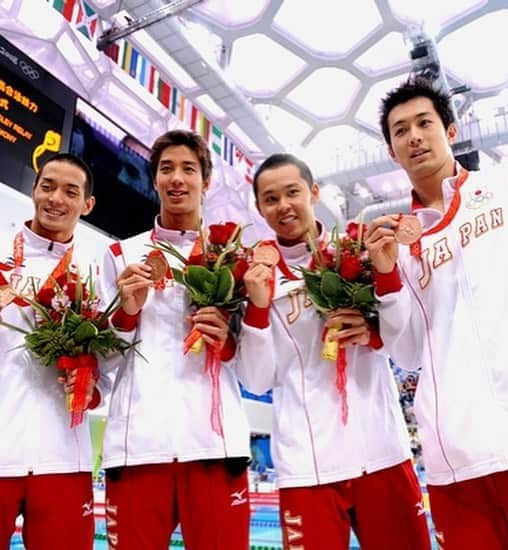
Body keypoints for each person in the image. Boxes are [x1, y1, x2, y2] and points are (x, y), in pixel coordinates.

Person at [365, 77, 508, 548]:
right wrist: (386, 276)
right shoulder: (399, 247)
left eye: (424, 122)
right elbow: (406, 353)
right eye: (400, 130)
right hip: (458, 463)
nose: (414, 137)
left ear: (450, 130)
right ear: (391, 152)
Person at [237, 153, 431, 550]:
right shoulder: (254, 277)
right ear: (259, 208)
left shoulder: (357, 251)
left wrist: (375, 333)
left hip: (382, 451)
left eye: (293, 192)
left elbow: (406, 340)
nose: (283, 206)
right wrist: (256, 308)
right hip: (307, 465)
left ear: (314, 192)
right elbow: (256, 379)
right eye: (270, 199)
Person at [100, 129, 251, 550]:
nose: (177, 178)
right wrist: (126, 314)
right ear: (154, 180)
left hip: (214, 447)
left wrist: (230, 341)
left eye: (189, 168)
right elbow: (103, 362)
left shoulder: (233, 258)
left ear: (206, 181)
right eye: (166, 169)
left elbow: (256, 362)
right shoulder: (120, 257)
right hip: (137, 448)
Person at [0, 153, 103, 549]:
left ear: (86, 204)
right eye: (48, 186)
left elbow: (110, 367)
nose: (56, 198)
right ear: (33, 190)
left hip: (63, 456)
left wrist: (90, 386)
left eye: (70, 191)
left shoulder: (94, 273)